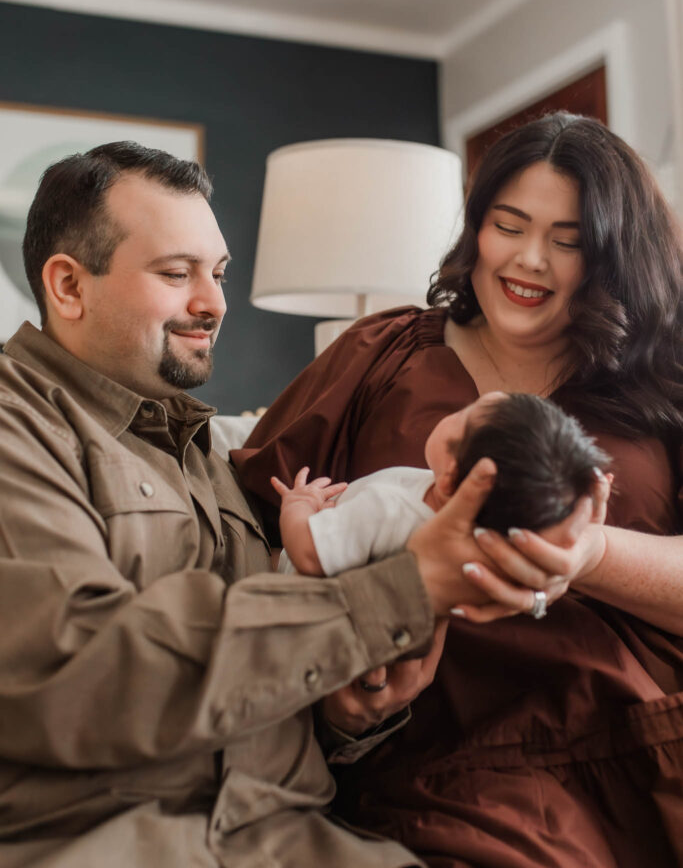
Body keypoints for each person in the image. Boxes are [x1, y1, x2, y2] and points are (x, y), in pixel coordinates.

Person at [0, 141, 593, 868]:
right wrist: (405, 587)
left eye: (216, 273)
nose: (213, 302)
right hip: (105, 842)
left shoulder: (219, 455)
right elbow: (81, 675)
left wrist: (347, 718)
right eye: (175, 272)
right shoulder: (18, 431)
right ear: (67, 286)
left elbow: (263, 672)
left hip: (288, 835)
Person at [233, 112, 683, 867]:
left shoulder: (662, 385)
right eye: (507, 225)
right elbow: (246, 536)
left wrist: (586, 552)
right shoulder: (377, 355)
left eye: (568, 240)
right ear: (474, 228)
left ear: (611, 258)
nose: (529, 259)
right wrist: (336, 703)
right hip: (411, 741)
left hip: (627, 738)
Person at [275, 392, 610, 578]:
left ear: (451, 478)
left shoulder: (388, 509)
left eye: (463, 415)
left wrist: (299, 505)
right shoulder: (475, 540)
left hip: (298, 617)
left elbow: (307, 554)